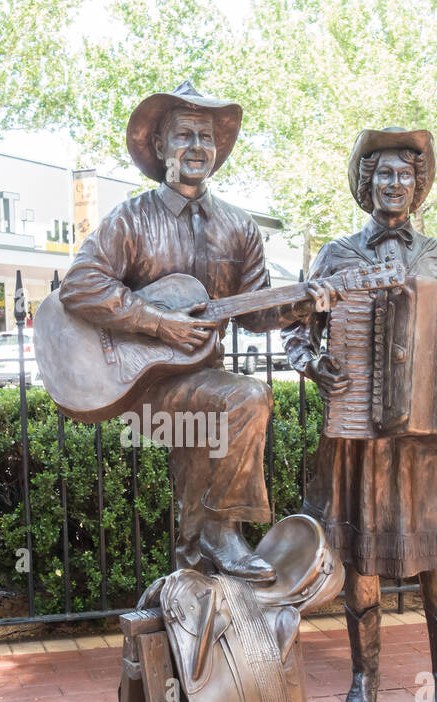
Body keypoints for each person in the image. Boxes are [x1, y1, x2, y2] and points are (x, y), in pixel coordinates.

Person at [58, 82, 330, 581]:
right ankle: (222, 532)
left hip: (203, 380)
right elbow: (78, 285)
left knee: (202, 468)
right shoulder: (131, 219)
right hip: (142, 384)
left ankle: (198, 603)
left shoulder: (238, 227)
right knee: (247, 397)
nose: (197, 147)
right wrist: (156, 320)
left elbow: (253, 313)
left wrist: (301, 306)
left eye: (206, 138)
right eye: (184, 136)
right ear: (161, 148)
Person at [283, 127, 437, 702]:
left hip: (432, 442)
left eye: (406, 175)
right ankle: (365, 680)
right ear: (365, 183)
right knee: (362, 561)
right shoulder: (336, 255)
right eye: (383, 174)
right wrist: (316, 365)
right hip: (361, 437)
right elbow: (295, 334)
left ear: (419, 185)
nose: (395, 185)